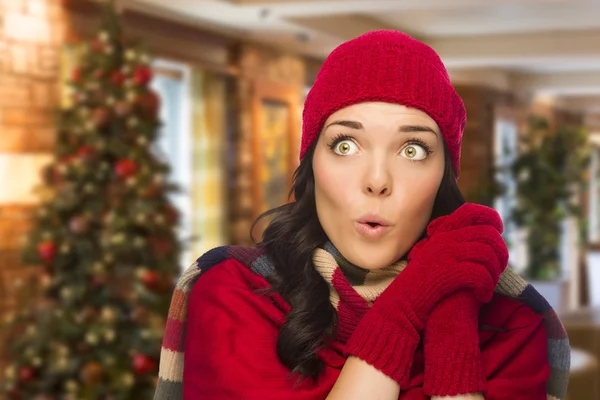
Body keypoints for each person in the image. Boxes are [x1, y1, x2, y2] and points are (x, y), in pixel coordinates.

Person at [153, 30, 570, 400]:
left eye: (413, 150)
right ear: (311, 163)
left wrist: (451, 317)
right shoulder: (234, 291)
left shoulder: (514, 324)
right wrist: (408, 306)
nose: (376, 180)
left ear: (444, 174)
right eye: (345, 145)